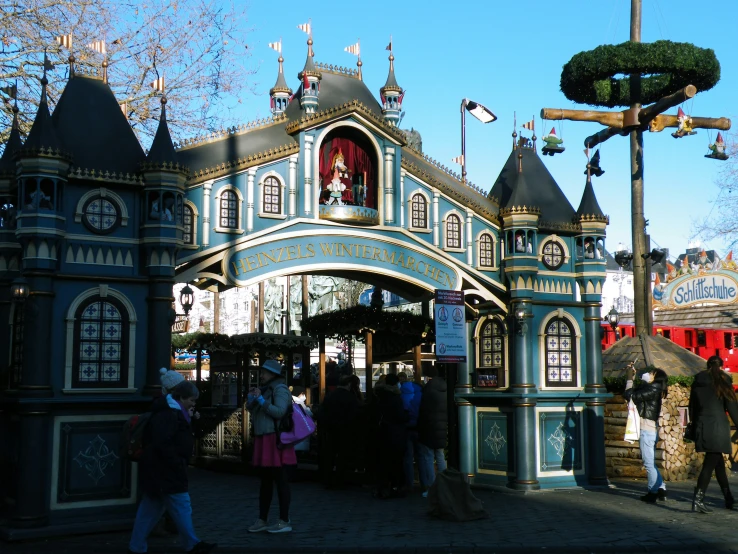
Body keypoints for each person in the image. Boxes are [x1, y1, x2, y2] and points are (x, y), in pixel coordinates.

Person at [128, 381, 217, 554]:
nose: (194, 403)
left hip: (158, 469)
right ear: (182, 398)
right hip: (167, 469)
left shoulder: (170, 411)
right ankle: (192, 544)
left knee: (150, 509)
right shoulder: (169, 414)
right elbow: (164, 442)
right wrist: (176, 461)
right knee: (181, 505)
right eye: (191, 400)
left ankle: (136, 547)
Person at [246, 359, 295, 534]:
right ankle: (262, 519)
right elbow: (252, 409)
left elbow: (280, 412)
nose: (262, 375)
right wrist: (253, 400)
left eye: (265, 372)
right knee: (266, 481)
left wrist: (261, 400)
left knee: (280, 480)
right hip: (263, 437)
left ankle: (284, 520)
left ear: (273, 374)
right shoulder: (266, 390)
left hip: (275, 439)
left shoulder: (280, 389)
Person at [689, 355, 738, 513]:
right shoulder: (723, 381)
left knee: (718, 464)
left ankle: (728, 498)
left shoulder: (697, 383)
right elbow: (732, 408)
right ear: (721, 366)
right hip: (718, 427)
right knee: (710, 463)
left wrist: (696, 424)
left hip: (703, 426)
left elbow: (692, 408)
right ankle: (698, 499)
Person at [623, 364, 669, 503]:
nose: (648, 374)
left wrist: (630, 379)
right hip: (649, 429)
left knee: (648, 463)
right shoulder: (653, 389)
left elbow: (630, 395)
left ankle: (652, 492)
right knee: (650, 462)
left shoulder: (653, 389)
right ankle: (661, 487)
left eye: (651, 373)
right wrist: (633, 376)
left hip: (647, 431)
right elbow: (636, 393)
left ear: (656, 378)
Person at [318, 374, 359, 488]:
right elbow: (354, 415)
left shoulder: (330, 396)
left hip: (331, 429)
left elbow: (322, 413)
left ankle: (327, 479)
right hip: (345, 430)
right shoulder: (350, 397)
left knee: (329, 455)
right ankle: (340, 480)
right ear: (349, 385)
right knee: (343, 456)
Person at [373, 373, 409, 498]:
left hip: (382, 432)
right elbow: (400, 416)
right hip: (395, 432)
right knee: (396, 461)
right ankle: (395, 487)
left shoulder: (379, 395)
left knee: (383, 461)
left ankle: (382, 488)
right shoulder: (396, 397)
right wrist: (407, 416)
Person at [417, 367, 448, 498]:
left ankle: (432, 488)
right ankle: (445, 485)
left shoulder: (428, 390)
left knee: (428, 458)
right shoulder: (445, 388)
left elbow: (423, 412)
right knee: (440, 456)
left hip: (429, 428)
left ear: (428, 377)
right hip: (441, 428)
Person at [399, 372, 423, 491]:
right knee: (421, 456)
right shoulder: (420, 394)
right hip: (418, 427)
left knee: (408, 457)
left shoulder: (401, 394)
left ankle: (410, 483)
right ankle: (424, 482)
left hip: (406, 428)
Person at [290, 386, 313, 453]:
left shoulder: (290, 400)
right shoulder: (299, 402)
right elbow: (309, 414)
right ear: (300, 394)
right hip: (301, 439)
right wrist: (309, 409)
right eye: (303, 394)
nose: (304, 396)